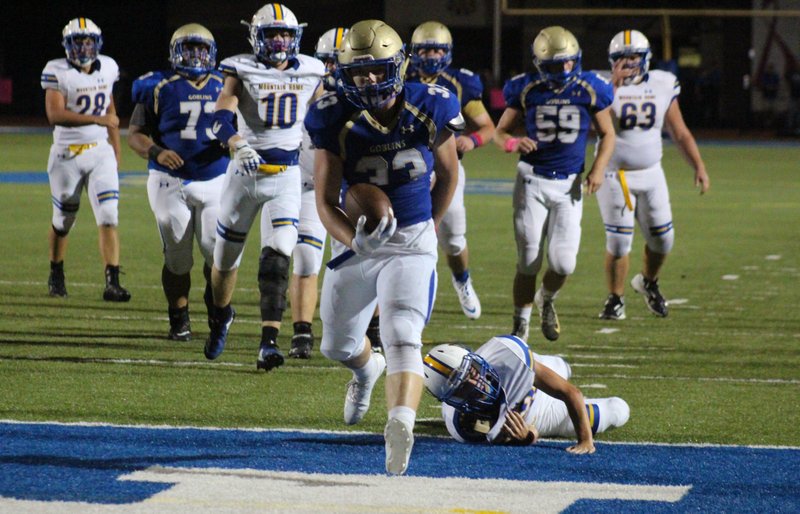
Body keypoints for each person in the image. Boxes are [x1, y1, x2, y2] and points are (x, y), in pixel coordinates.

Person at [305, 20, 461, 475]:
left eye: (378, 70)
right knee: (336, 347)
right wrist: (354, 239)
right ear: (344, 73)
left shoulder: (432, 103)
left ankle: (400, 424)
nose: (370, 80)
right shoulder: (331, 115)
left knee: (402, 334)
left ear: (398, 66)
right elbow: (324, 199)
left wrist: (427, 227)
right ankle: (364, 371)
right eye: (359, 72)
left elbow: (449, 174)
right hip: (360, 245)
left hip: (412, 242)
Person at [205, 3, 325, 369]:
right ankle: (221, 315)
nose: (278, 41)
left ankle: (268, 342)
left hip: (286, 177)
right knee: (225, 262)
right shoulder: (240, 68)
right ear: (256, 36)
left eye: (284, 34)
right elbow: (220, 119)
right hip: (243, 176)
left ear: (295, 37)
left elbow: (322, 119)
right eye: (271, 33)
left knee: (278, 256)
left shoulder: (312, 70)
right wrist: (236, 142)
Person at [493, 26, 615, 342]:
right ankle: (521, 324)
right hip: (532, 181)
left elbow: (608, 134)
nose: (563, 70)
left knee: (563, 262)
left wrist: (598, 169)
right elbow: (500, 132)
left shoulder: (590, 88)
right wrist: (512, 143)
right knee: (529, 261)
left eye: (568, 63)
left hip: (570, 184)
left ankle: (546, 298)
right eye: (555, 65)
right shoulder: (526, 88)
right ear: (539, 64)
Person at [597, 30, 709, 321]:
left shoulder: (662, 83)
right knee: (619, 242)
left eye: (634, 57)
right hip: (615, 174)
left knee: (663, 241)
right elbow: (592, 126)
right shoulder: (601, 86)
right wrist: (613, 87)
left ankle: (648, 281)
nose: (629, 63)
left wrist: (698, 165)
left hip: (652, 173)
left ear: (645, 59)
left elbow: (679, 131)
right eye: (623, 58)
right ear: (612, 61)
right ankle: (615, 299)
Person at [128, 24, 228, 340]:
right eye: (189, 49)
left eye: (202, 49)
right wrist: (157, 151)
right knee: (177, 256)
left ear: (211, 53)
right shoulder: (158, 86)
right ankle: (179, 316)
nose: (196, 56)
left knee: (217, 252)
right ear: (175, 52)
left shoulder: (225, 85)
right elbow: (135, 134)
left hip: (216, 178)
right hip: (169, 180)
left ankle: (215, 308)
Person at [406, 21, 496, 320]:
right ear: (413, 52)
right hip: (408, 170)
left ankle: (462, 281)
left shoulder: (460, 83)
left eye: (437, 49)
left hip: (447, 170)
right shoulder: (400, 76)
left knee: (453, 239)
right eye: (425, 49)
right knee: (407, 236)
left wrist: (470, 140)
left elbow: (487, 127)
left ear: (447, 52)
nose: (431, 55)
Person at [41, 17, 130, 302]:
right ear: (67, 45)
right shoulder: (57, 71)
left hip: (99, 152)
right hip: (66, 155)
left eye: (88, 41)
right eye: (77, 42)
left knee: (109, 215)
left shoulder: (109, 67)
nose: (83, 47)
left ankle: (112, 281)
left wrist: (115, 146)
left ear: (97, 43)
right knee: (63, 220)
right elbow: (54, 115)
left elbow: (110, 105)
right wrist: (98, 119)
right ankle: (56, 271)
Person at [423, 338, 630, 449]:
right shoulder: (462, 424)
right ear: (452, 398)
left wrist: (585, 440)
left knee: (562, 367)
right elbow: (505, 433)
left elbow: (570, 392)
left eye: (470, 372)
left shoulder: (508, 357)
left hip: (533, 384)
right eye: (463, 386)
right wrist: (527, 436)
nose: (474, 382)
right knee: (618, 409)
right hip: (539, 415)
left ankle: (558, 366)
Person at [286, 27, 348, 359]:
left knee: (357, 261)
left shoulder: (366, 96)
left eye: (341, 62)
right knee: (307, 257)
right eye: (328, 62)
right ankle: (302, 330)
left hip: (352, 191)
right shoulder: (302, 88)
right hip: (311, 187)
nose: (334, 69)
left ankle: (370, 328)